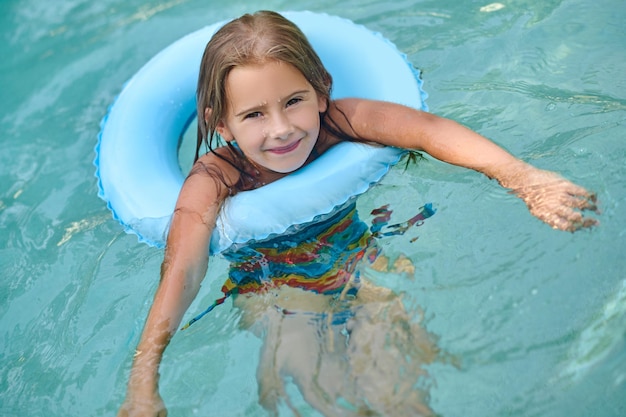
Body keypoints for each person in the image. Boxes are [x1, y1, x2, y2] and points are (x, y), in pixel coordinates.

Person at [117, 10, 598, 417]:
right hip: (271, 287)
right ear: (221, 123)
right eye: (254, 115)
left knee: (400, 391)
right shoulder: (215, 177)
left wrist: (522, 178)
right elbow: (183, 267)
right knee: (320, 387)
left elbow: (429, 131)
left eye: (293, 102)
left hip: (358, 262)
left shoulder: (337, 123)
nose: (282, 129)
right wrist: (144, 377)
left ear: (321, 91)